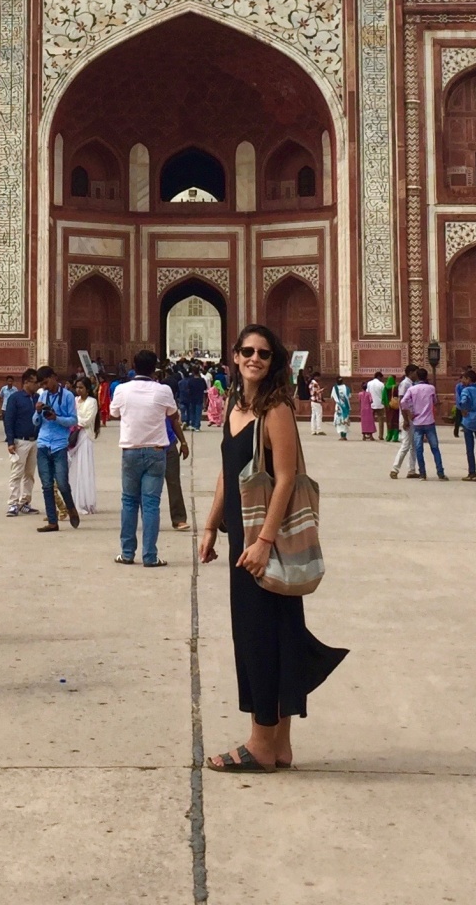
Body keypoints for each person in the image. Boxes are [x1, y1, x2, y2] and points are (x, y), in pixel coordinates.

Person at [199, 324, 347, 772]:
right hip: (243, 536)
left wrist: (263, 541)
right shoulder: (235, 407)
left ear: (274, 359)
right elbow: (229, 471)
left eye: (264, 352)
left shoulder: (276, 408)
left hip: (264, 540)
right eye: (247, 351)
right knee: (276, 635)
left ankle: (260, 744)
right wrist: (209, 526)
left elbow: (285, 477)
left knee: (259, 638)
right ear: (236, 355)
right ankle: (279, 745)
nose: (254, 359)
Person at [112, 350, 178, 567]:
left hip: (131, 449)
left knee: (129, 502)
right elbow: (172, 413)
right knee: (151, 505)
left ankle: (127, 552)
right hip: (156, 451)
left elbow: (114, 413)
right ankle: (150, 556)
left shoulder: (122, 390)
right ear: (154, 368)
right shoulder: (163, 390)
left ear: (133, 366)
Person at [34, 367, 80, 532]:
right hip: (43, 443)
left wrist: (56, 418)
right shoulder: (43, 395)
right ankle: (52, 521)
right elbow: (36, 422)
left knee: (62, 483)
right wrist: (38, 412)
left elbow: (73, 420)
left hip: (60, 444)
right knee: (46, 485)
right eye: (42, 384)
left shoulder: (67, 396)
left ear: (53, 377)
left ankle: (70, 507)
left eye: (46, 382)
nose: (45, 386)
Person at [3, 368, 40, 516]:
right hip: (20, 441)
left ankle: (25, 502)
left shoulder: (37, 398)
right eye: (35, 382)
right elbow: (9, 420)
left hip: (34, 440)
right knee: (17, 473)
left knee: (29, 474)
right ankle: (13, 503)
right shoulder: (16, 398)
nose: (37, 385)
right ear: (26, 382)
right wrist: (10, 441)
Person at [69, 378, 100, 515]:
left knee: (84, 467)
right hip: (73, 435)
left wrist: (75, 420)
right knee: (74, 467)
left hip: (84, 436)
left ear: (87, 389)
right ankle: (73, 498)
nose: (78, 390)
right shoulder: (74, 400)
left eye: (81, 387)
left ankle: (84, 501)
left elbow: (87, 420)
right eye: (77, 387)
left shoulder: (92, 402)